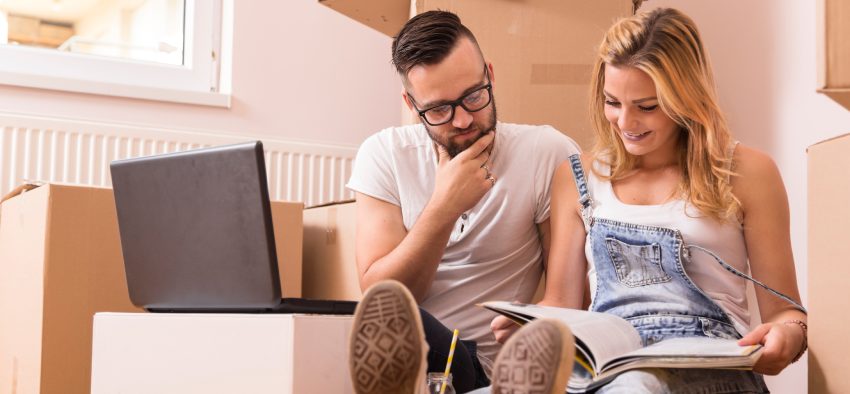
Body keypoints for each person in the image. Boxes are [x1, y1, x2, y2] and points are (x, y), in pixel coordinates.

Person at [499, 7, 807, 393]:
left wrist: (787, 337)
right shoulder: (577, 177)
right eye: (613, 102)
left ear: (685, 98)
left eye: (646, 106)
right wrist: (531, 325)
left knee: (638, 387)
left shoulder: (748, 172)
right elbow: (562, 303)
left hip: (711, 363)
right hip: (608, 361)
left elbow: (786, 312)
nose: (625, 123)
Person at [345, 10, 581, 393]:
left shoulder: (545, 152)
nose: (462, 120)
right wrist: (444, 204)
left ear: (489, 74)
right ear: (410, 103)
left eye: (474, 96)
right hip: (416, 353)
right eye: (439, 109)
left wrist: (535, 323)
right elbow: (383, 297)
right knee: (404, 323)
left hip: (489, 363)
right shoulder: (384, 153)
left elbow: (570, 296)